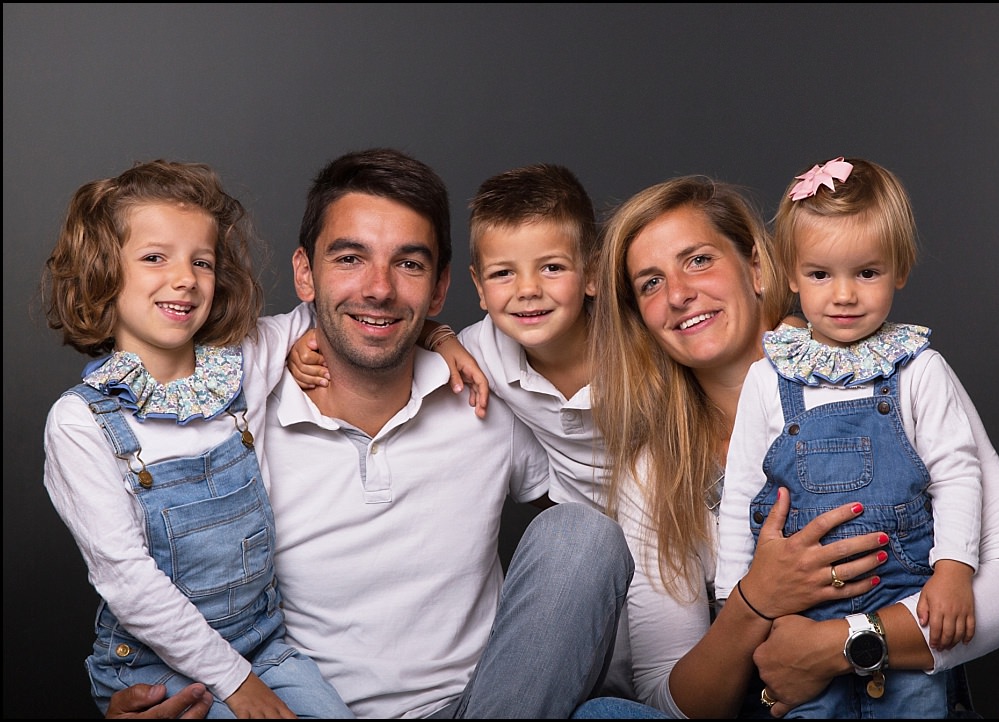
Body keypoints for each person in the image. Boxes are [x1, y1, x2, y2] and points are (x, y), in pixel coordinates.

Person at [107, 147, 635, 719]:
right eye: (351, 258)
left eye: (409, 264)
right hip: (305, 707)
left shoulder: (485, 390)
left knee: (584, 538)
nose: (379, 288)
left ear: (439, 289)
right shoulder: (239, 404)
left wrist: (438, 338)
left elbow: (597, 484)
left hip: (480, 706)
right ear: (304, 273)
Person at [584, 174, 999, 718]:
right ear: (641, 318)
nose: (677, 294)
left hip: (904, 686)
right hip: (784, 707)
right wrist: (755, 600)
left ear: (759, 270)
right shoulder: (652, 472)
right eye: (649, 283)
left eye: (698, 260)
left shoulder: (899, 374)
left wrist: (842, 645)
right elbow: (669, 698)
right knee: (604, 716)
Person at [41, 160, 353, 718]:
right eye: (155, 257)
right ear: (103, 272)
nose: (185, 277)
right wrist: (235, 683)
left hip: (265, 644)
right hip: (154, 665)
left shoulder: (243, 364)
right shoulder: (80, 423)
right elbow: (130, 584)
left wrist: (442, 335)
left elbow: (345, 313)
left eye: (201, 261)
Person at [714, 157, 981, 717]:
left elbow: (957, 474)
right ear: (789, 274)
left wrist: (955, 568)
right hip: (800, 610)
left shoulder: (916, 370)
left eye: (866, 272)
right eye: (819, 274)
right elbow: (742, 494)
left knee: (916, 707)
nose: (844, 295)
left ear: (900, 269)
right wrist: (733, 600)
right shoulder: (769, 378)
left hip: (906, 600)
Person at [291, 162, 605, 506]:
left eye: (552, 268)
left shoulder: (633, 349)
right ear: (480, 287)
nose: (528, 289)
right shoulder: (480, 354)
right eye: (351, 258)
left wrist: (438, 336)